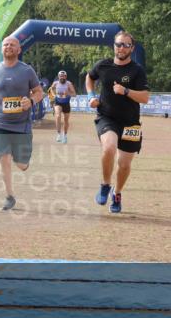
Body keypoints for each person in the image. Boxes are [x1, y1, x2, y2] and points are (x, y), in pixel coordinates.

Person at [86, 30, 150, 214]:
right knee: (109, 148)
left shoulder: (137, 70)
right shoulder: (103, 65)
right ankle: (105, 185)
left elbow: (145, 97)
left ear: (132, 48)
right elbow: (89, 77)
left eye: (126, 45)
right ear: (113, 46)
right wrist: (91, 96)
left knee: (124, 165)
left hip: (130, 123)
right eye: (118, 44)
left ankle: (117, 193)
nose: (121, 48)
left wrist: (126, 91)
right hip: (107, 117)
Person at [0, 36, 44, 211]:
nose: (8, 47)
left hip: (22, 124)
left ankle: (21, 159)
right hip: (0, 122)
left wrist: (31, 100)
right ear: (2, 49)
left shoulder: (27, 70)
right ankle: (9, 196)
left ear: (19, 49)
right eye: (5, 44)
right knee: (4, 158)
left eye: (12, 45)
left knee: (21, 165)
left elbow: (39, 92)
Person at [51, 70, 77, 143]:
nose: (62, 77)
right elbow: (51, 89)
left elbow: (74, 94)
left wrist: (68, 93)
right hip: (58, 102)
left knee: (66, 120)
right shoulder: (55, 83)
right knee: (58, 116)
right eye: (61, 76)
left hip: (66, 103)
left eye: (63, 76)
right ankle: (59, 134)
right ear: (58, 77)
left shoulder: (69, 84)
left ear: (66, 77)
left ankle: (65, 135)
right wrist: (53, 95)